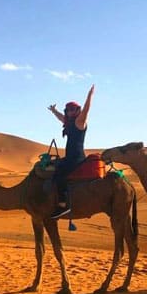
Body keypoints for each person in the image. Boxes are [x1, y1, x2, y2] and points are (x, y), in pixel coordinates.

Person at [47, 84, 95, 219]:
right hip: (69, 158)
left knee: (59, 176)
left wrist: (89, 96)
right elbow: (61, 118)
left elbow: (86, 111)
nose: (70, 112)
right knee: (52, 166)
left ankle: (63, 205)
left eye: (73, 109)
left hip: (77, 159)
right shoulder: (69, 122)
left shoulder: (80, 122)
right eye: (68, 110)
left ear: (77, 110)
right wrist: (54, 111)